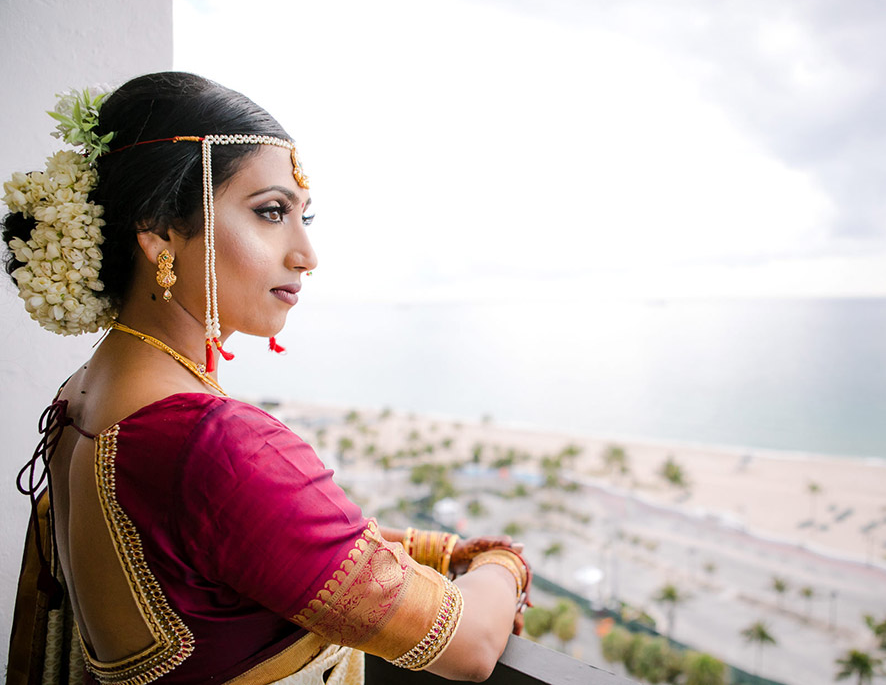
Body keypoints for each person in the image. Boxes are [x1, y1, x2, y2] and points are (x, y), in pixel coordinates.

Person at [3, 72, 531, 685]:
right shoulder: (209, 442)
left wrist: (435, 552)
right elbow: (468, 644)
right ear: (160, 229)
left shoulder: (87, 390)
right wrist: (501, 567)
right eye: (271, 212)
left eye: (304, 217)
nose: (306, 253)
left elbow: (238, 537)